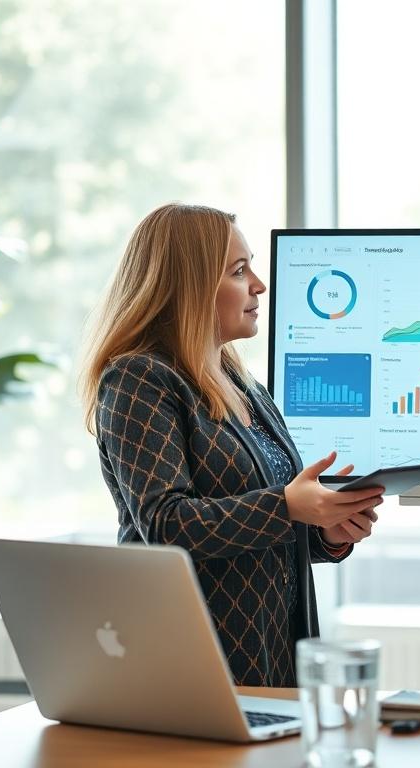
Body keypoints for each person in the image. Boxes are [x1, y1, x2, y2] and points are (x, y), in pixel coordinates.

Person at [80, 203, 384, 686]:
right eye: (240, 271)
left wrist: (326, 531)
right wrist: (288, 506)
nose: (259, 285)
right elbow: (165, 524)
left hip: (275, 657)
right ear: (188, 286)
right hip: (189, 666)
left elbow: (259, 533)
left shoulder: (243, 386)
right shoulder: (139, 378)